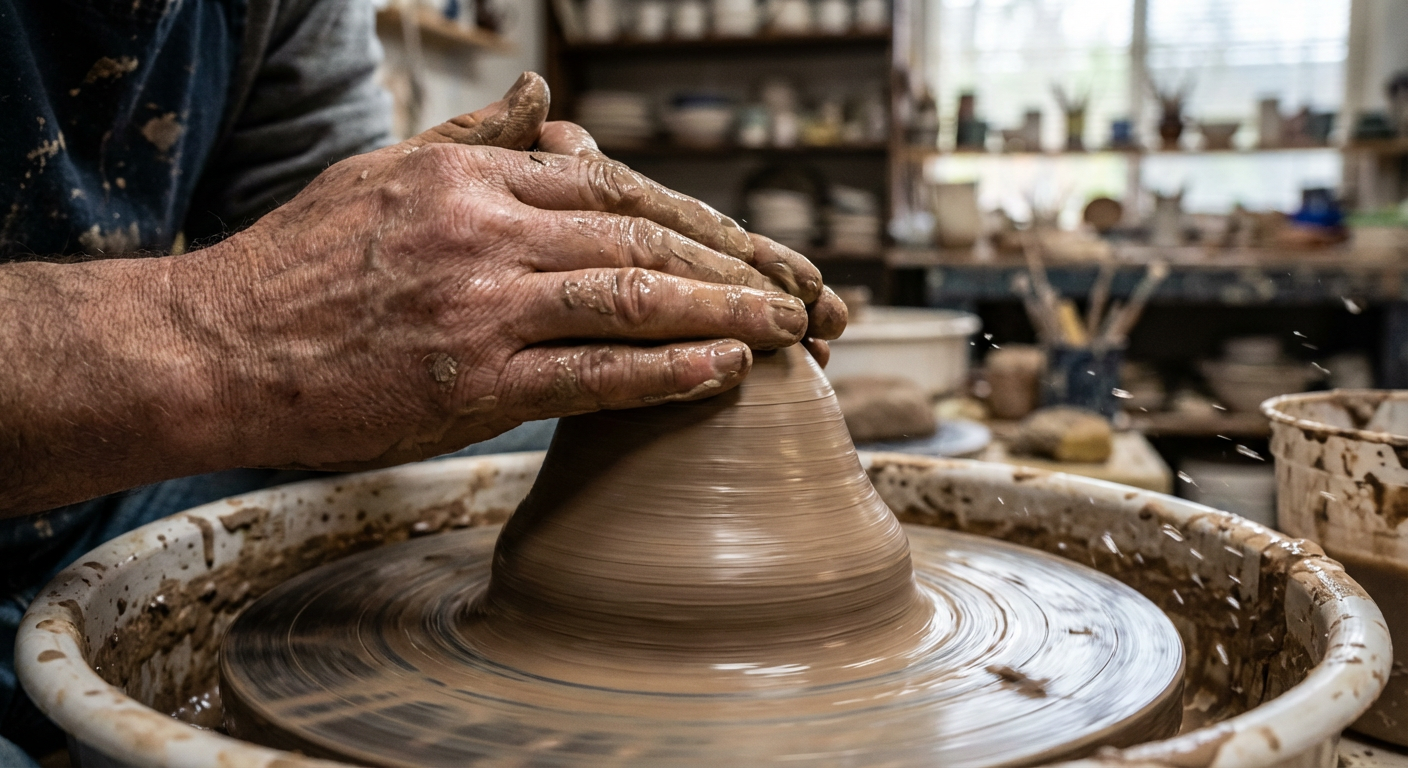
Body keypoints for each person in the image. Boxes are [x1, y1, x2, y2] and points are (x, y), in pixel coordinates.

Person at [0, 1, 845, 762]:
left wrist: (511, 280)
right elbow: (278, 318)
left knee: (638, 406)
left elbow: (337, 255)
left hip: (111, 485)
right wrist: (225, 332)